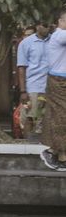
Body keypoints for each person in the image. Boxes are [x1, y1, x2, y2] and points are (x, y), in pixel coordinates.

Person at [40, 11, 66, 171]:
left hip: (61, 80)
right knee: (61, 117)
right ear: (61, 21)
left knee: (61, 117)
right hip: (58, 81)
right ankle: (56, 153)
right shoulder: (59, 35)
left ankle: (56, 152)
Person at [17, 23, 50, 140]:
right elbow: (21, 67)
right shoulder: (26, 43)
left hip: (51, 87)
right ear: (38, 26)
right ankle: (28, 144)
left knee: (46, 119)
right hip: (33, 87)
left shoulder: (55, 41)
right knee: (29, 117)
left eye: (49, 25)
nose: (47, 28)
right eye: (44, 25)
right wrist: (23, 91)